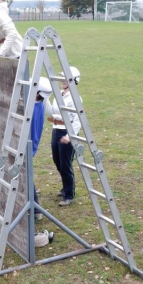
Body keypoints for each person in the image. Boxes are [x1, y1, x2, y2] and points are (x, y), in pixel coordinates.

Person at [44, 66, 82, 207]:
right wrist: (45, 98)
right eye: (63, 78)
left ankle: (69, 194)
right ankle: (66, 185)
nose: (63, 81)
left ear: (73, 81)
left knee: (66, 164)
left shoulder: (75, 98)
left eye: (66, 79)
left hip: (67, 132)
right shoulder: (59, 94)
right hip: (56, 130)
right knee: (57, 161)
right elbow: (52, 112)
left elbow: (77, 120)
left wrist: (69, 136)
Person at [30, 77, 52, 220]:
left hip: (27, 147)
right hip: (30, 146)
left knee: (25, 177)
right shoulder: (38, 103)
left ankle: (36, 209)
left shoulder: (33, 109)